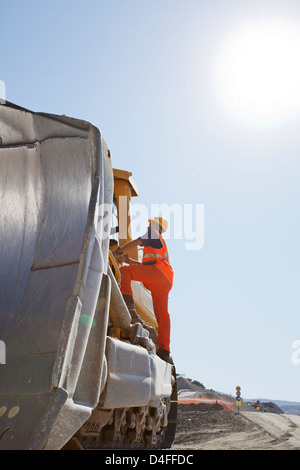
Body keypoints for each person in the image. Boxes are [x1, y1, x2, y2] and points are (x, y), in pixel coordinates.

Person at [113, 217, 174, 363]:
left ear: (155, 225)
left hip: (157, 272)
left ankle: (129, 308)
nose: (148, 226)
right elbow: (146, 266)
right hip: (164, 278)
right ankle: (165, 349)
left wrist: (118, 251)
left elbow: (136, 242)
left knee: (126, 272)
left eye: (150, 224)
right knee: (162, 315)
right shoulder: (157, 242)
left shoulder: (153, 233)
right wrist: (128, 260)